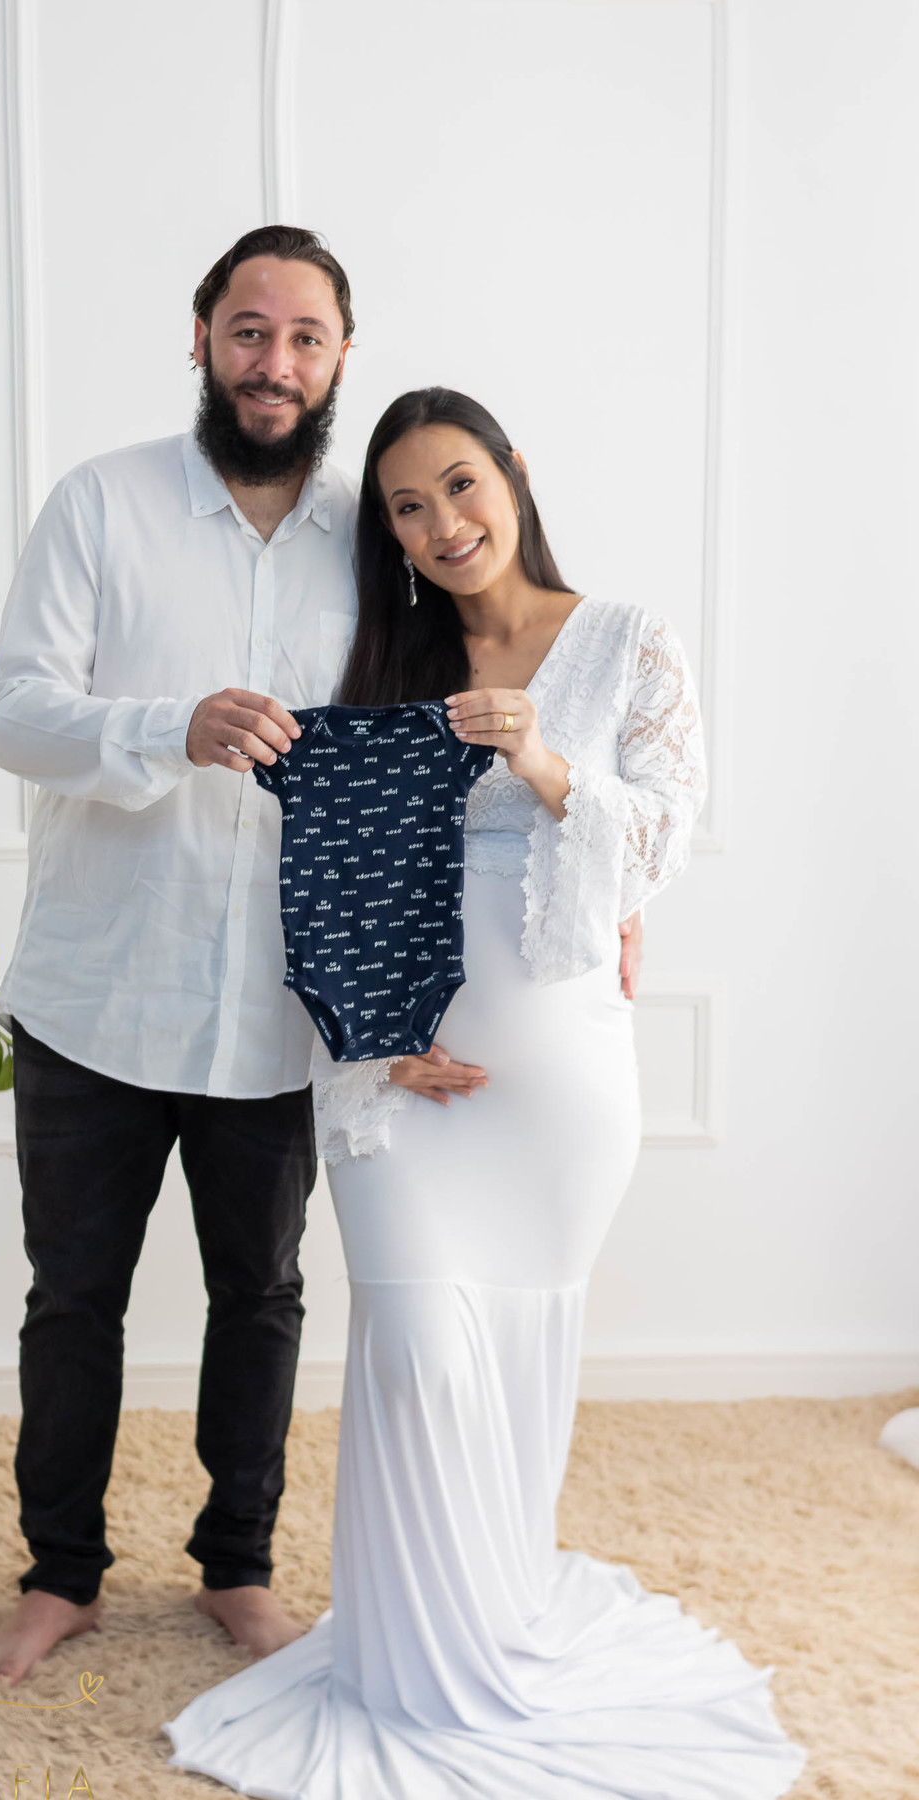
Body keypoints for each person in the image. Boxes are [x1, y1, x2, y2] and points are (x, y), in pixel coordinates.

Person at [0, 228, 641, 1690]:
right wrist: (163, 727)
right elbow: (14, 714)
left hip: (287, 1006)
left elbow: (444, 749)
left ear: (342, 356)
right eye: (250, 331)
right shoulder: (99, 503)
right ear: (199, 334)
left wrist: (597, 887)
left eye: (308, 338)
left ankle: (237, 1568)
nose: (277, 364)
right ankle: (57, 1575)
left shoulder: (374, 536)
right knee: (71, 1295)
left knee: (259, 1294)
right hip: (97, 985)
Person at [165, 389, 808, 1797]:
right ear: (386, 531)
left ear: (512, 475)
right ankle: (412, 1668)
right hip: (405, 1076)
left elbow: (662, 838)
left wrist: (536, 754)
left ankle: (495, 1623)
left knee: (513, 1362)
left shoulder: (629, 641)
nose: (444, 524)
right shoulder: (383, 661)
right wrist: (368, 1037)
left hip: (564, 1080)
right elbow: (328, 874)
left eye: (460, 485)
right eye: (407, 505)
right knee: (420, 1357)